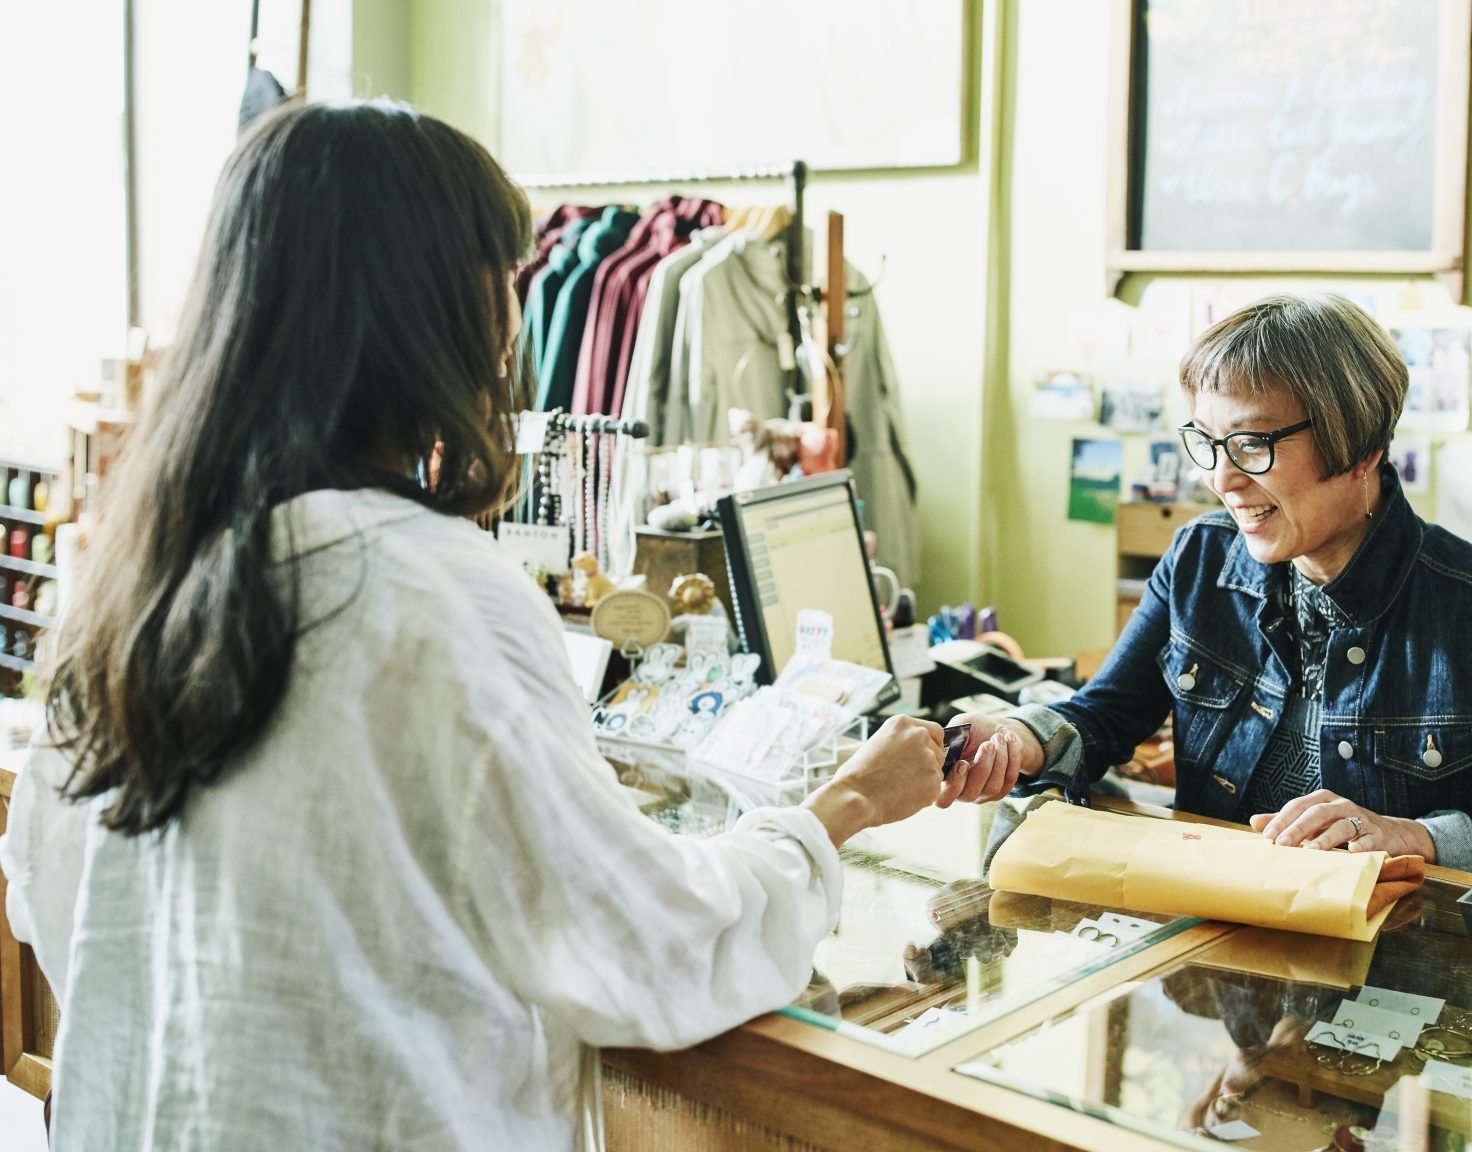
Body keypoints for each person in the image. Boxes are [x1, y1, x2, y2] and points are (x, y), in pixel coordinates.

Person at [0, 100, 949, 1151]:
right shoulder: (438, 596)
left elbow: (49, 900)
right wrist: (840, 807)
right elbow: (638, 946)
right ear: (440, 313)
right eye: (504, 280)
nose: (514, 323)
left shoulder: (136, 582)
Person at [947, 294, 1472, 878]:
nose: (1221, 480)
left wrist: (1413, 836)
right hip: (1211, 935)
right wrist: (1015, 740)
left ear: (1361, 448)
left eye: (1253, 444)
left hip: (1397, 955)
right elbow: (1106, 714)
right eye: (1208, 442)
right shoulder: (1199, 557)